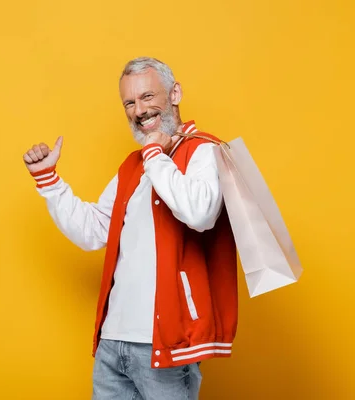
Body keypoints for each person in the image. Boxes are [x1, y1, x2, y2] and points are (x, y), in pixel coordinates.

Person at [22, 57, 238, 400]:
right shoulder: (133, 165)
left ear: (175, 93)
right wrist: (50, 182)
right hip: (113, 341)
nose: (139, 110)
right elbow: (94, 230)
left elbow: (200, 213)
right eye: (130, 102)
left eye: (148, 96)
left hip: (166, 345)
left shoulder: (205, 151)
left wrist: (154, 154)